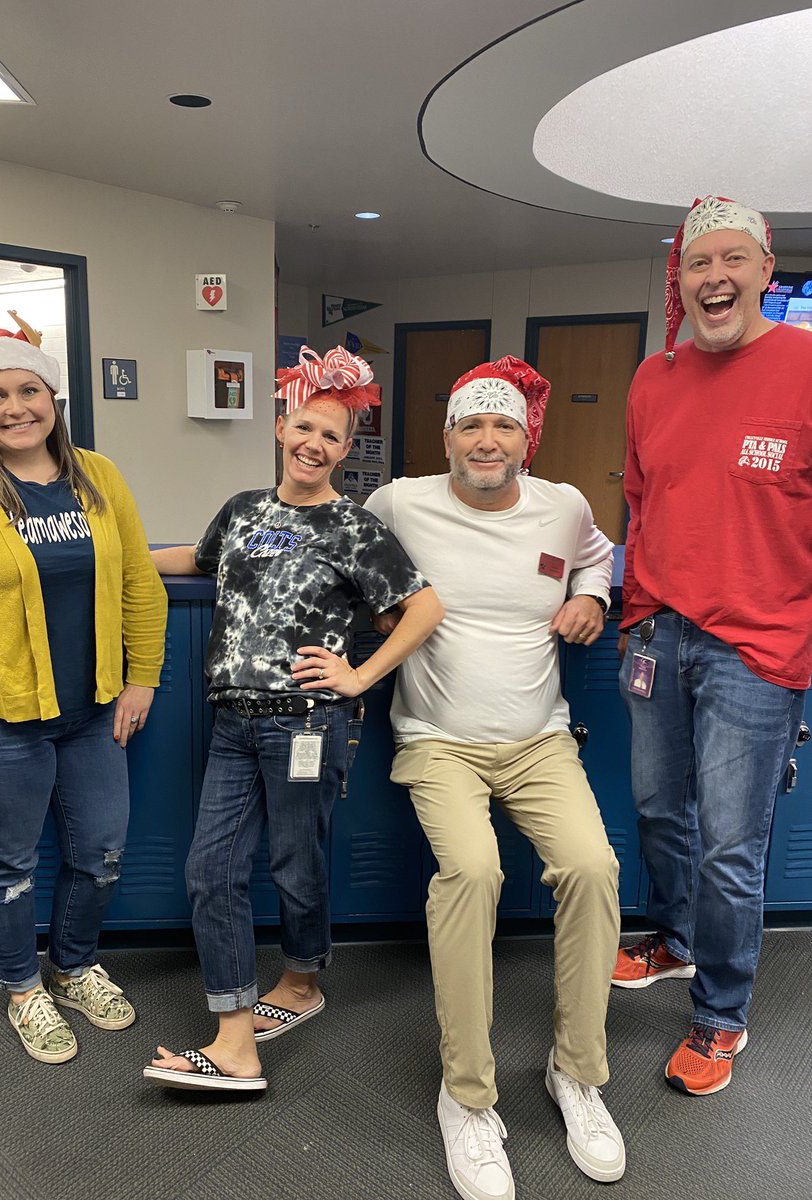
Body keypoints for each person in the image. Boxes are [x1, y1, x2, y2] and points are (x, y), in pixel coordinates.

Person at [143, 345, 443, 1093]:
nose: (314, 445)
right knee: (209, 872)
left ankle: (301, 984)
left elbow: (424, 608)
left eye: (331, 437)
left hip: (309, 724)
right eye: (304, 428)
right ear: (283, 427)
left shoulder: (354, 526)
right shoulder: (244, 510)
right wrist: (115, 556)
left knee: (295, 864)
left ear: (346, 451)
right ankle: (238, 1033)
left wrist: (361, 675)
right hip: (234, 724)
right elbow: (198, 559)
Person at [365, 356, 626, 1199]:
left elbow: (600, 554)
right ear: (446, 439)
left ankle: (575, 1073)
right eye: (470, 426)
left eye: (502, 425)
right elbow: (340, 549)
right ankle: (467, 1096)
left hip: (539, 741)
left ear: (526, 437)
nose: (486, 440)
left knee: (593, 867)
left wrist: (592, 593)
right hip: (439, 740)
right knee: (472, 873)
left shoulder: (563, 505)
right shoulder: (401, 500)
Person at [0, 311, 168, 1063]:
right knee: (10, 867)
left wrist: (142, 678)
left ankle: (75, 965)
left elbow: (138, 584)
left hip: (92, 713)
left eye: (30, 389)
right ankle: (22, 987)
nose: (16, 407)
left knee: (101, 854)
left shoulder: (98, 474)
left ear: (54, 397)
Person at [611, 196, 811, 1095]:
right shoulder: (653, 379)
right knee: (659, 810)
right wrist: (632, 608)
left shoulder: (806, 365)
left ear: (768, 272)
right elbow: (643, 504)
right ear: (680, 278)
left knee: (733, 842)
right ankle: (680, 941)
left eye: (735, 260)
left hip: (759, 649)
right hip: (659, 631)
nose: (715, 277)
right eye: (699, 263)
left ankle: (720, 1015)